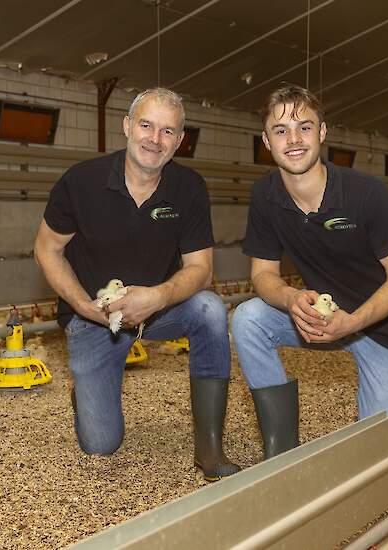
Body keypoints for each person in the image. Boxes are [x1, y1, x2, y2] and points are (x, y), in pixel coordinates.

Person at [33, 87, 239, 481]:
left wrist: (158, 297)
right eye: (146, 125)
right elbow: (47, 249)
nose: (154, 139)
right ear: (127, 126)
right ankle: (87, 395)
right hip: (94, 316)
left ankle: (209, 446)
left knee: (210, 308)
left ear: (179, 140)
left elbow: (201, 269)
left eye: (167, 131)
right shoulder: (82, 182)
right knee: (101, 443)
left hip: (156, 309)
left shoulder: (189, 188)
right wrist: (83, 305)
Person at [231, 85, 388, 459]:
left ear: (322, 133)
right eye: (281, 130)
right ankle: (282, 452)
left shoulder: (366, 193)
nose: (293, 140)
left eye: (304, 128)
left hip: (387, 328)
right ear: (266, 141)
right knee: (247, 319)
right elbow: (262, 274)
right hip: (326, 315)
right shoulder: (265, 196)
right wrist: (290, 298)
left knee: (376, 456)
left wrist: (352, 322)